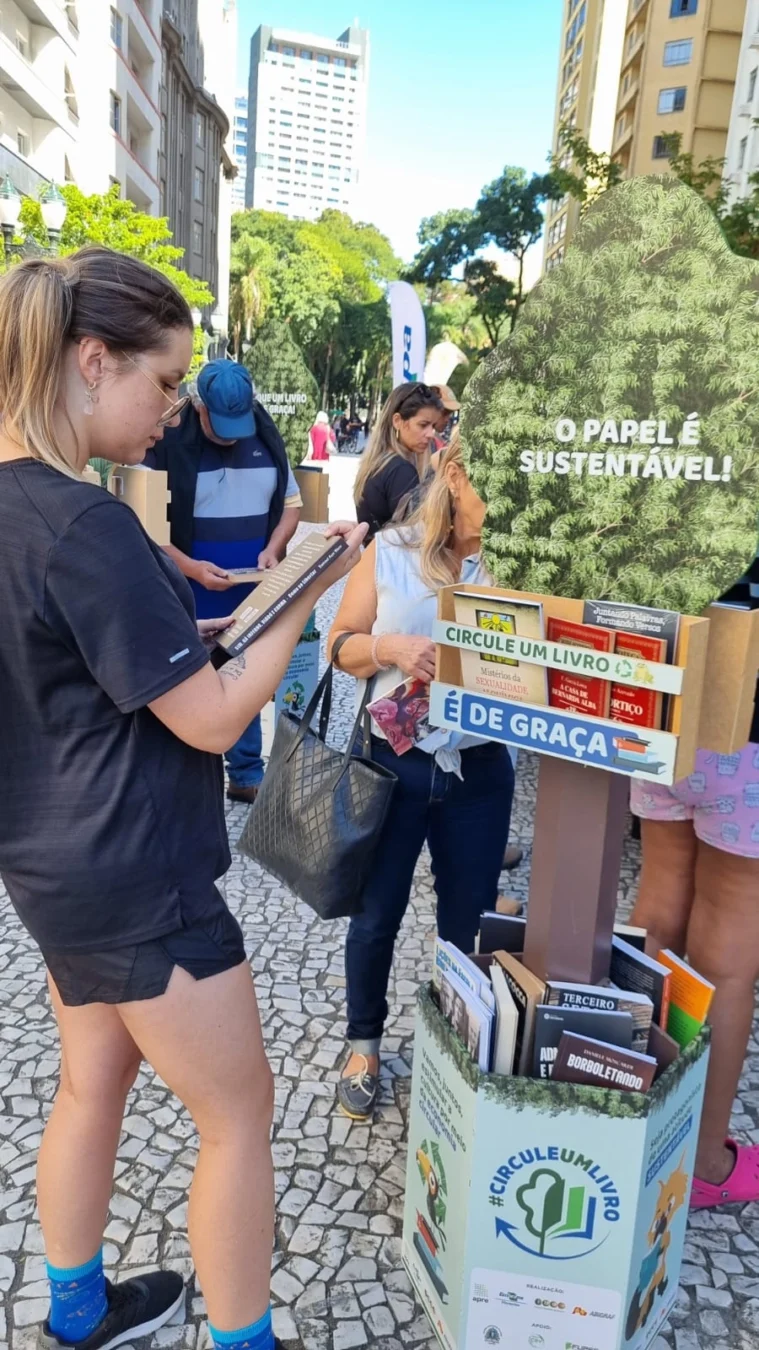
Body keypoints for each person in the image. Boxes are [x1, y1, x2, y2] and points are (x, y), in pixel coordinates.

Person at [0, 247, 364, 1350]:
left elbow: (84, 659)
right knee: (238, 1115)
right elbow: (209, 721)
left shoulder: (24, 510)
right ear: (91, 362)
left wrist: (212, 625)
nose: (173, 410)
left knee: (89, 1087)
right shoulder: (86, 522)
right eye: (163, 383)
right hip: (139, 874)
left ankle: (77, 1310)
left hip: (53, 868)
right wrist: (302, 594)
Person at [328, 434, 515, 1119]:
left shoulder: (520, 566)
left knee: (467, 922)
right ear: (457, 477)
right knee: (376, 914)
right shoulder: (394, 551)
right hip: (392, 764)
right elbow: (340, 643)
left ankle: (452, 1047)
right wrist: (388, 646)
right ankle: (364, 1044)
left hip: (480, 769)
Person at [146, 360, 303, 805]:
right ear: (198, 409)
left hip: (250, 591)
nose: (232, 436)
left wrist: (274, 547)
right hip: (189, 588)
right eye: (221, 425)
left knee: (244, 678)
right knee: (186, 681)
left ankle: (246, 772)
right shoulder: (167, 443)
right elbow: (145, 525)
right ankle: (181, 776)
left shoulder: (265, 438)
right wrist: (192, 568)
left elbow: (291, 506)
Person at [630, 685, 759, 1206]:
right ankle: (705, 1163)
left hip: (669, 727)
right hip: (749, 747)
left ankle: (623, 1110)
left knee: (656, 922)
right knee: (726, 968)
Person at [353, 382, 444, 541]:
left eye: (433, 426)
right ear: (397, 421)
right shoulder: (400, 471)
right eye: (423, 425)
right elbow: (417, 538)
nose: (431, 433)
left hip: (375, 560)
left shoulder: (378, 463)